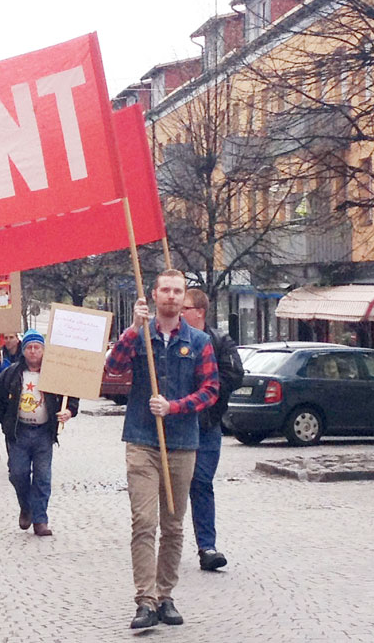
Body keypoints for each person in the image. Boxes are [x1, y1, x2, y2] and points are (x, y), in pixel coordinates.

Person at [105, 269, 219, 629]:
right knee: (144, 522)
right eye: (165, 290)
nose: (171, 296)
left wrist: (176, 406)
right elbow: (113, 367)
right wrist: (131, 329)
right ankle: (145, 599)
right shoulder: (139, 336)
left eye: (177, 291)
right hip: (142, 439)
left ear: (184, 298)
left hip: (182, 442)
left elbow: (211, 389)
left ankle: (166, 594)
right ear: (154, 295)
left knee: (173, 524)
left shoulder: (198, 341)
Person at [0, 329, 77, 536]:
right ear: (23, 350)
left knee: (43, 477)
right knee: (18, 474)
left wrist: (69, 411)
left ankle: (40, 519)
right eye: (29, 347)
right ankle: (25, 506)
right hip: (18, 433)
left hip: (44, 433)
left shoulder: (54, 375)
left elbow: (70, 397)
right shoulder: (11, 374)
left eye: (37, 347)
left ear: (44, 351)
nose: (33, 351)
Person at [181, 288, 243, 572]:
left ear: (199, 312)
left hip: (207, 423)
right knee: (172, 486)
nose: (180, 313)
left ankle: (207, 546)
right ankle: (170, 540)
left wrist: (209, 395)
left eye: (185, 308)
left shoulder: (220, 340)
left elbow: (234, 374)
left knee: (201, 481)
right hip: (176, 423)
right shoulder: (173, 339)